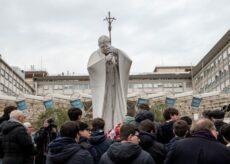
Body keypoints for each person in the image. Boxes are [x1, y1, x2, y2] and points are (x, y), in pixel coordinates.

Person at [87, 35, 132, 131]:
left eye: (106, 45)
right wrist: (104, 61)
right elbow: (91, 68)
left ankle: (117, 128)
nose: (105, 48)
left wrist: (116, 53)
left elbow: (127, 61)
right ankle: (106, 129)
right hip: (104, 88)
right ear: (99, 46)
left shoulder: (115, 52)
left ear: (109, 43)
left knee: (116, 107)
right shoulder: (95, 55)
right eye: (102, 46)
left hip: (115, 87)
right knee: (106, 108)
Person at [164, 118, 230, 164]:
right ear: (211, 130)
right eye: (215, 130)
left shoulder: (177, 145)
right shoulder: (224, 150)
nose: (217, 133)